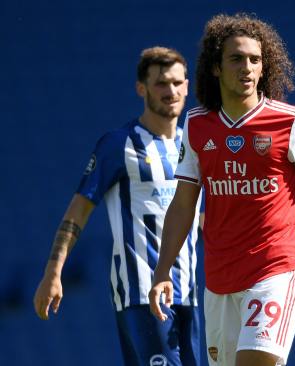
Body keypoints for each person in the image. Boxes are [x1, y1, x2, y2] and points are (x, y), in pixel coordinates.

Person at [148, 13, 295, 366]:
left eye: (255, 59)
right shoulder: (196, 125)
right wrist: (163, 271)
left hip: (275, 268)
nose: (247, 67)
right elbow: (183, 204)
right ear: (215, 67)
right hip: (219, 279)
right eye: (236, 58)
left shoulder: (292, 122)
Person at [33, 47, 202, 366]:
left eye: (178, 83)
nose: (171, 91)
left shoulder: (191, 146)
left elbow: (198, 218)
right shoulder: (118, 144)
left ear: (188, 86)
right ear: (142, 88)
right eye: (161, 84)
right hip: (141, 293)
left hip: (189, 296)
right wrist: (53, 271)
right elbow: (78, 211)